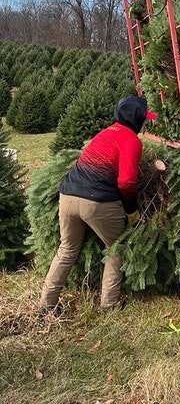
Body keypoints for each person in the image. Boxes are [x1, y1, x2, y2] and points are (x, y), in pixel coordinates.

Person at [38, 96, 157, 316]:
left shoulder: (105, 133)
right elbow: (127, 181)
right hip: (97, 201)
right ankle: (108, 306)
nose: (146, 123)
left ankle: (46, 305)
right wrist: (131, 210)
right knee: (115, 248)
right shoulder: (131, 140)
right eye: (144, 118)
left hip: (67, 195)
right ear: (136, 118)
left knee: (66, 250)